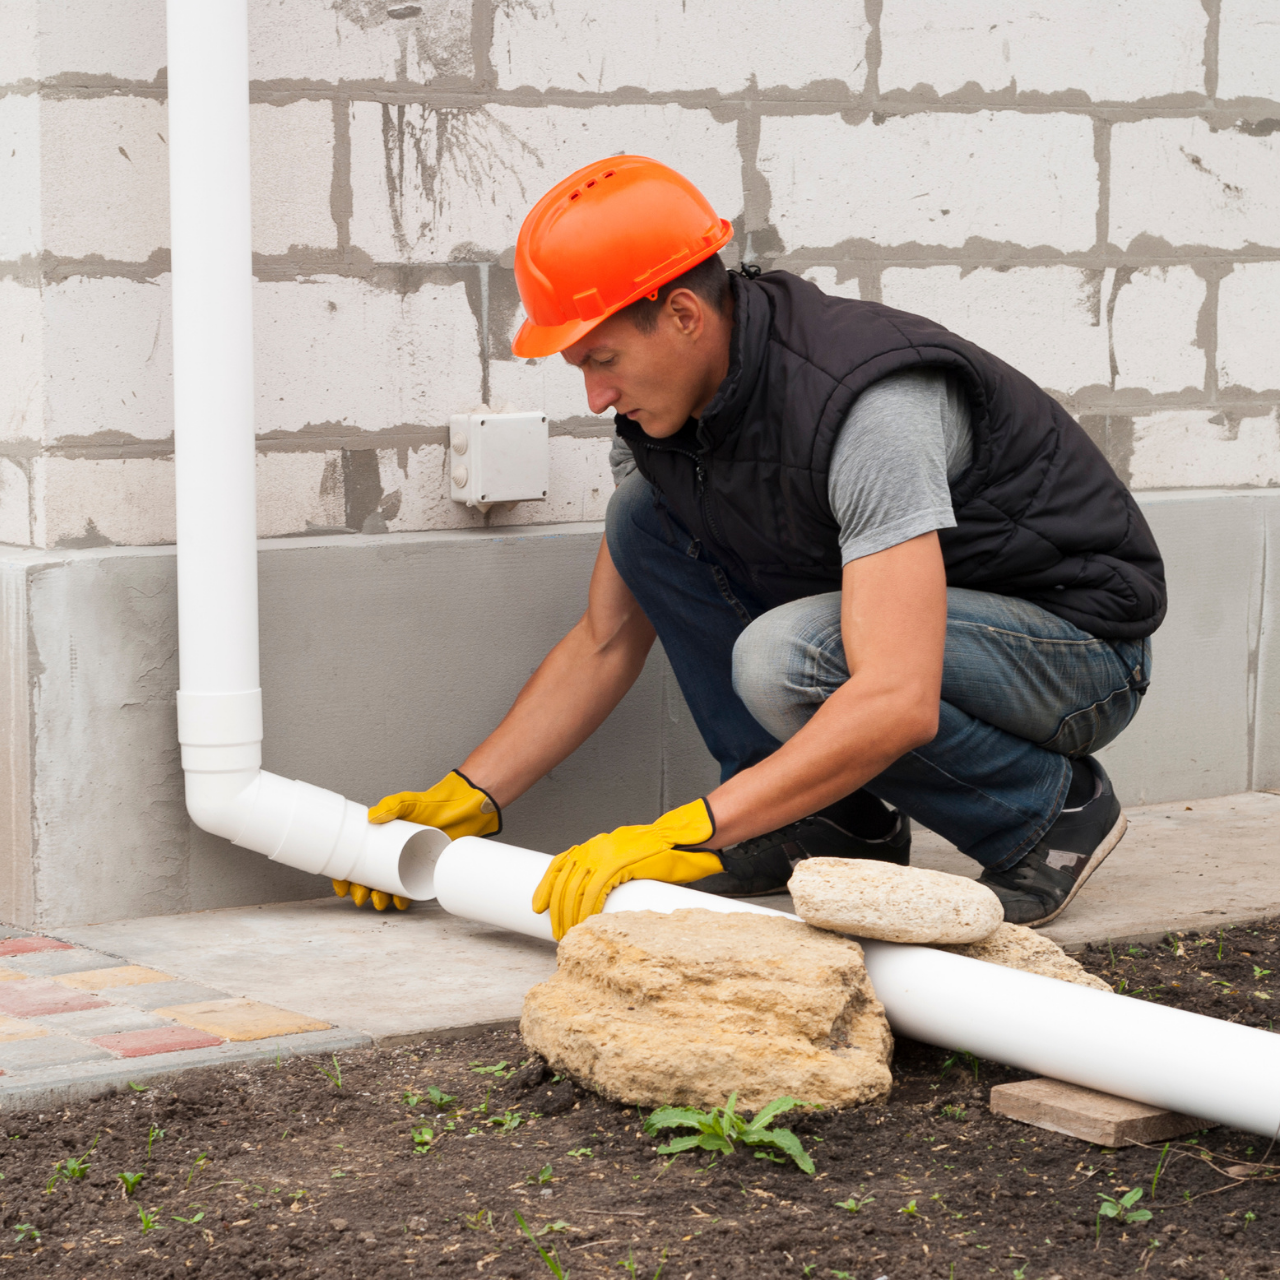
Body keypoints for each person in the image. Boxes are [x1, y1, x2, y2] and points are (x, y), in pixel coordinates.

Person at [339, 156, 1164, 940]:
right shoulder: (662, 425)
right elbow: (605, 640)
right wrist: (471, 796)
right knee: (642, 521)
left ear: (684, 316)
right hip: (941, 634)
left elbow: (896, 695)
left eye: (603, 359)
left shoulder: (869, 406)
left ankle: (1044, 812)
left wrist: (696, 827)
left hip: (1077, 652)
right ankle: (830, 820)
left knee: (787, 656)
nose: (594, 397)